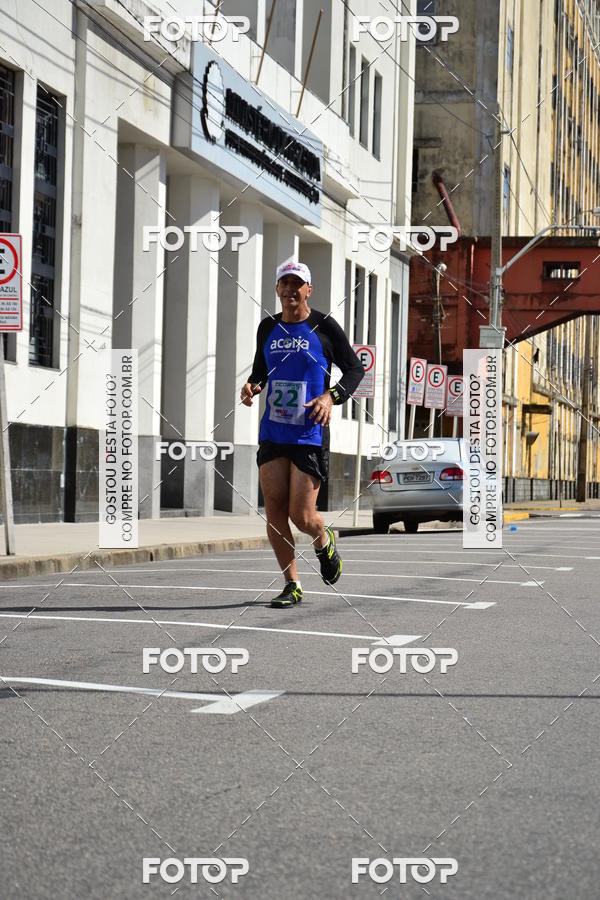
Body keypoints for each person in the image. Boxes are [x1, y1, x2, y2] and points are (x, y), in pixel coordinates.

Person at [241, 261, 364, 608]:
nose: (291, 290)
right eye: (285, 284)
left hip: (309, 433)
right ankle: (291, 584)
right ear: (277, 289)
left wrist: (331, 396)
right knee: (275, 511)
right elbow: (260, 373)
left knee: (302, 516)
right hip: (273, 431)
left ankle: (323, 540)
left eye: (298, 285)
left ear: (309, 290)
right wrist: (251, 388)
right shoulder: (267, 328)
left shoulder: (324, 327)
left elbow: (355, 368)